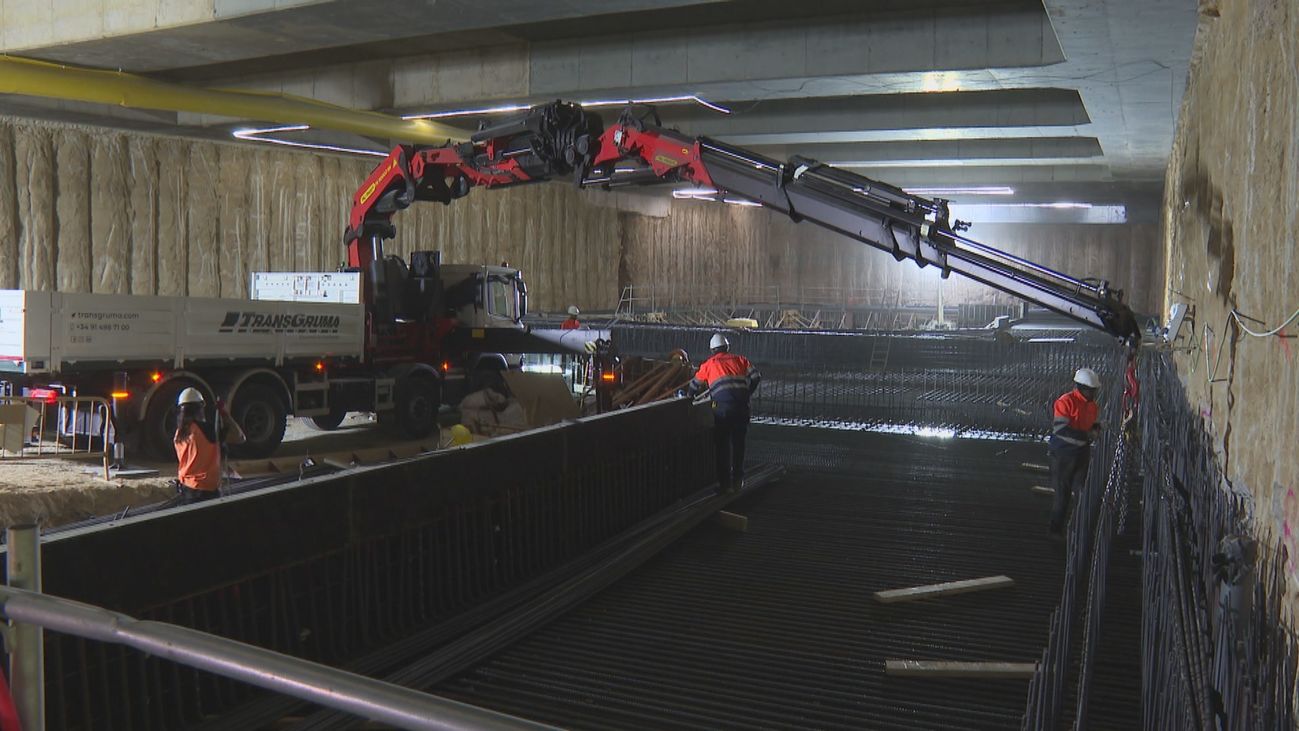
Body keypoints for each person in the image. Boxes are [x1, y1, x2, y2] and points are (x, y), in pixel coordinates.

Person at [686, 333, 761, 494]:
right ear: (727, 348)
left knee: (722, 447)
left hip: (721, 410)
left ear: (712, 350)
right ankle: (738, 480)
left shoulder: (708, 364)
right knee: (739, 445)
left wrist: (687, 399)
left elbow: (693, 386)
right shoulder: (741, 360)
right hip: (742, 407)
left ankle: (725, 485)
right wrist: (748, 392)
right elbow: (756, 376)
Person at [1047, 367, 1102, 534]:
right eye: (1089, 390)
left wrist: (1097, 427)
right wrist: (1088, 435)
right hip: (1063, 455)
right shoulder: (1065, 402)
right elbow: (1061, 430)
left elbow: (1085, 425)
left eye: (1094, 390)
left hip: (1081, 454)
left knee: (1082, 494)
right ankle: (1054, 532)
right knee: (1062, 497)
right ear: (1079, 387)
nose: (1092, 394)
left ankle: (1080, 529)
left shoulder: (1092, 406)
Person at [173, 387, 246, 504]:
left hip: (186, 488)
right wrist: (224, 413)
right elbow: (240, 437)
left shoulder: (179, 433)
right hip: (205, 492)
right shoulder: (206, 430)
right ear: (200, 408)